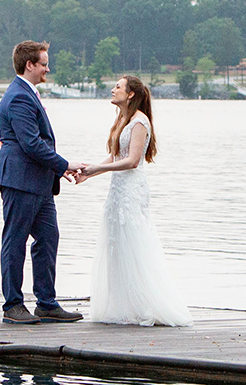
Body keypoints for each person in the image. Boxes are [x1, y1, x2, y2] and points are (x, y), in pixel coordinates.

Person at [71, 74, 193, 327]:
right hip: (117, 189)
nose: (113, 89)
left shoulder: (140, 122)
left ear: (130, 95)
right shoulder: (122, 119)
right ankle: (124, 305)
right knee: (117, 243)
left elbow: (133, 161)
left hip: (131, 190)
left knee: (134, 241)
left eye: (118, 87)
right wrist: (89, 172)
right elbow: (115, 156)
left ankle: (145, 303)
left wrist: (95, 170)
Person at [0, 40, 92, 325]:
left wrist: (56, 170)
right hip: (20, 180)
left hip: (39, 181)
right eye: (44, 63)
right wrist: (65, 164)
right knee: (15, 241)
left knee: (48, 238)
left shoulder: (27, 93)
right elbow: (30, 143)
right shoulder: (19, 96)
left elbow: (36, 145)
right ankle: (13, 305)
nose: (48, 68)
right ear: (30, 65)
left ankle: (46, 303)